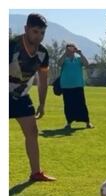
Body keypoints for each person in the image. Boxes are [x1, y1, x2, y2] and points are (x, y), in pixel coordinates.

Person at [9, 13, 55, 181]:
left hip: (21, 96)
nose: (39, 36)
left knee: (32, 132)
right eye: (35, 31)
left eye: (42, 33)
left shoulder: (43, 53)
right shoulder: (11, 46)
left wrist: (42, 104)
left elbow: (43, 80)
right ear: (26, 29)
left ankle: (36, 173)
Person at [58, 42, 93, 129]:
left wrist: (80, 53)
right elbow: (59, 63)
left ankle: (87, 122)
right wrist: (65, 54)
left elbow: (86, 64)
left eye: (72, 48)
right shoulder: (64, 59)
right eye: (69, 48)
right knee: (68, 105)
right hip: (66, 86)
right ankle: (69, 123)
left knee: (81, 104)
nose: (70, 50)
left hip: (78, 85)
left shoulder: (78, 59)